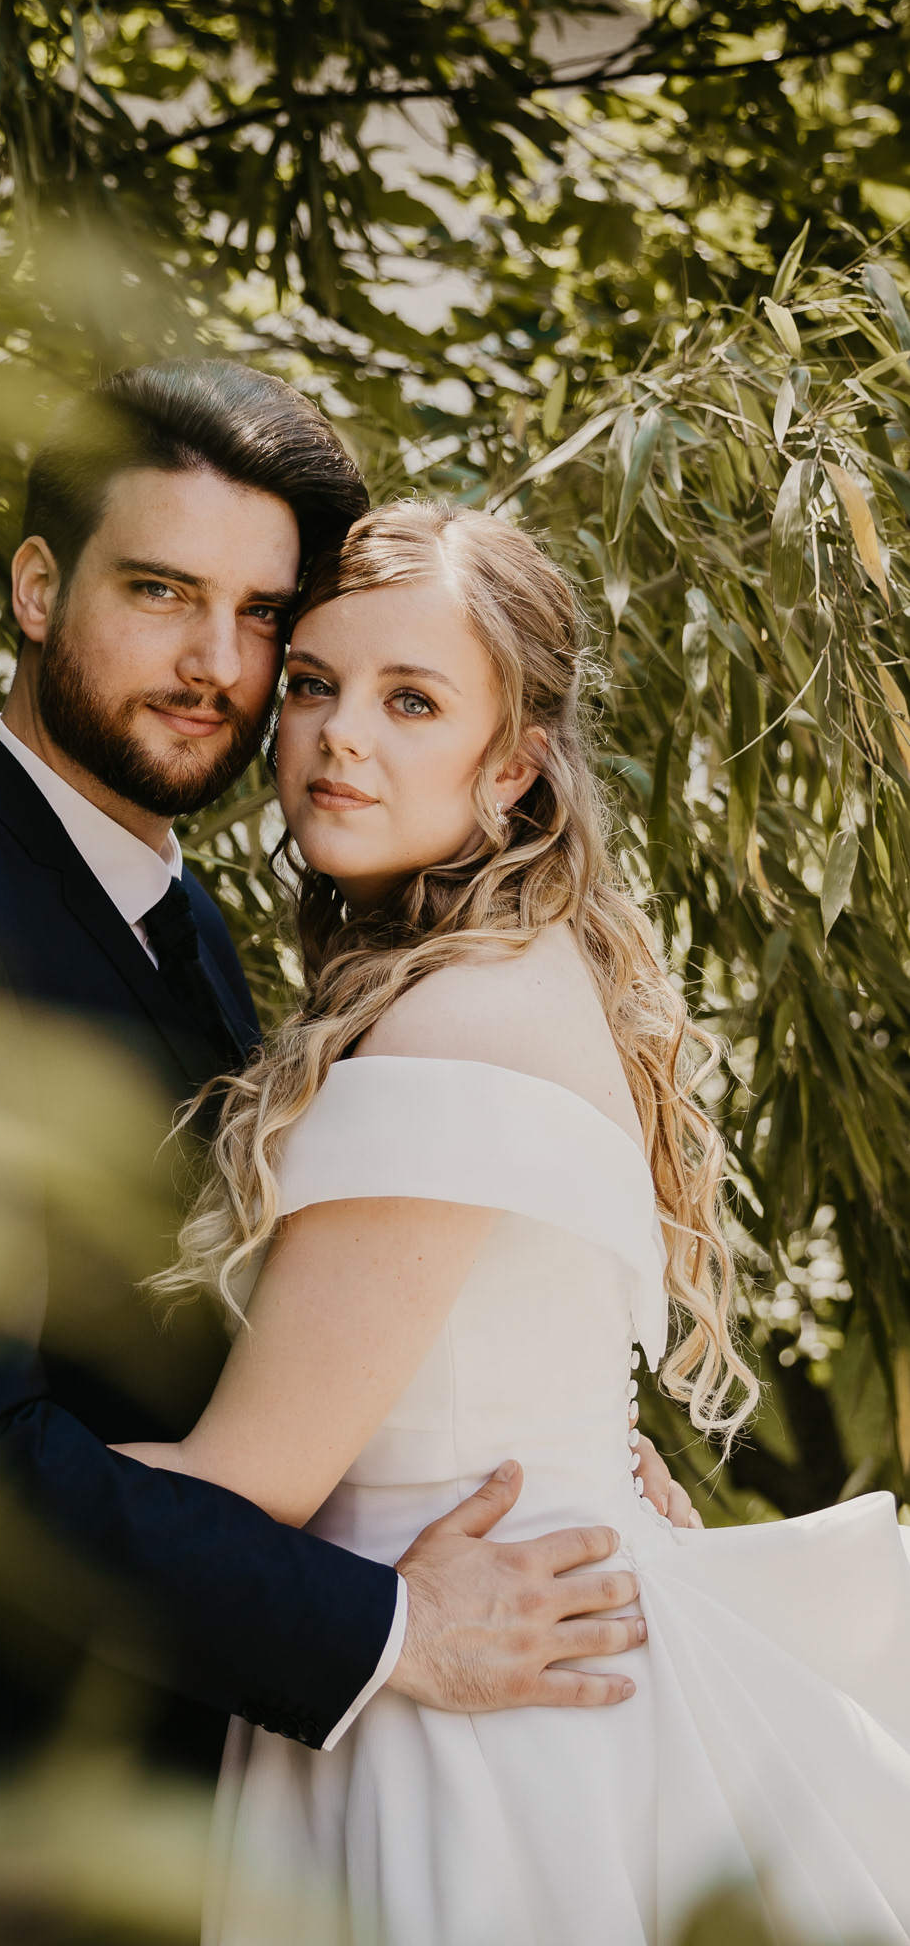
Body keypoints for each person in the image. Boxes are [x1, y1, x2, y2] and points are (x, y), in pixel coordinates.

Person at [0, 361, 683, 1786]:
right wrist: (384, 1623)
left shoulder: (181, 919)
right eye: (160, 591)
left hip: (154, 1765)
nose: (215, 664)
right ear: (37, 588)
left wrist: (554, 1457)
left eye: (260, 618)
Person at [106, 500, 910, 1943]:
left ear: (515, 763)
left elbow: (241, 1490)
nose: (340, 737)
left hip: (470, 1721)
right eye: (315, 685)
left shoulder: (453, 1025)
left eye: (411, 700)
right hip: (497, 1649)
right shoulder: (501, 970)